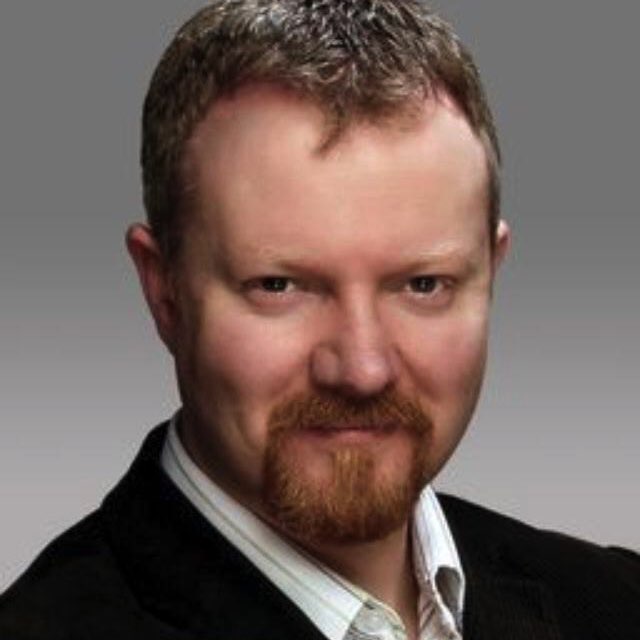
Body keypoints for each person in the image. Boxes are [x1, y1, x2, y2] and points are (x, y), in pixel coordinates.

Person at [1, 1, 638, 638]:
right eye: (280, 286)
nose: (361, 369)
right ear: (163, 291)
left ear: (490, 275)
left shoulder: (616, 602)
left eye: (423, 285)